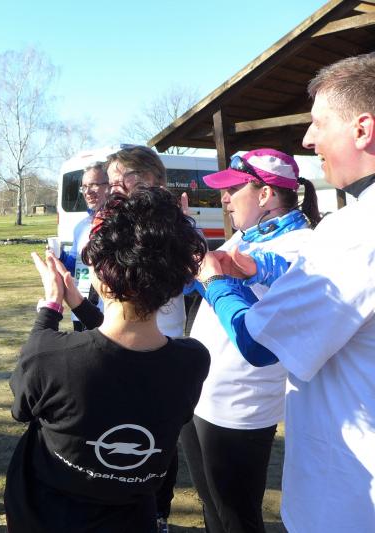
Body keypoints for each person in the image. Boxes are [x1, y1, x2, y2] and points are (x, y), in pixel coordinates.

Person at [196, 52, 375, 532]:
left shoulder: (354, 232)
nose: (308, 139)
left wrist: (216, 282)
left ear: (362, 130)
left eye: (319, 123)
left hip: (349, 500)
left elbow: (258, 343)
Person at [5, 186, 210, 533]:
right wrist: (79, 306)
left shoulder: (50, 357)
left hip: (45, 517)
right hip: (132, 519)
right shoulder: (193, 362)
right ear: (175, 281)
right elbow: (124, 357)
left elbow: (21, 409)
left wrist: (51, 306)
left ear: (101, 275)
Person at [180, 149, 320, 533]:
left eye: (233, 189)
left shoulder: (302, 244)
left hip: (239, 407)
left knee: (237, 518)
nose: (224, 198)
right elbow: (200, 283)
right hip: (202, 396)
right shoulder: (244, 236)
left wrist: (217, 278)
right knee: (212, 509)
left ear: (265, 194)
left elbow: (258, 330)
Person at [57, 145, 187, 532]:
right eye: (111, 182)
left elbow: (186, 280)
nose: (114, 189)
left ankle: (159, 512)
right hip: (112, 335)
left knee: (160, 436)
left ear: (153, 180)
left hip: (162, 343)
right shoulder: (109, 222)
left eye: (122, 180)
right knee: (115, 427)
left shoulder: (175, 225)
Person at [59, 160, 110, 331]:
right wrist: (59, 257)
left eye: (94, 185)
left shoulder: (118, 224)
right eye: (84, 187)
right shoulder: (81, 226)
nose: (88, 192)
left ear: (109, 186)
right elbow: (75, 266)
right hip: (80, 308)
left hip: (109, 311)